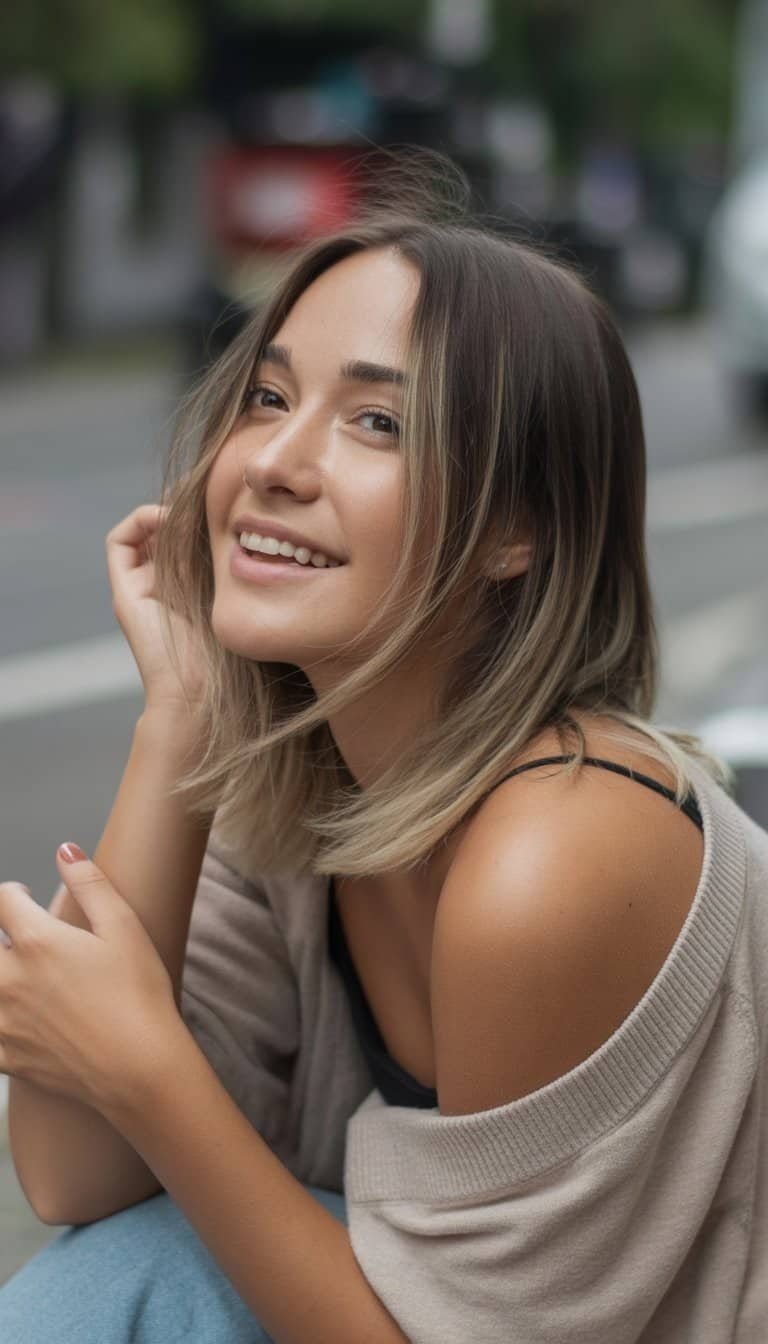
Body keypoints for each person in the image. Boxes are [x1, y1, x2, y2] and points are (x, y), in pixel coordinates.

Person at [1, 150, 766, 1344]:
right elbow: (73, 1180)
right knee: (109, 1283)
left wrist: (147, 1064)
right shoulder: (305, 780)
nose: (274, 466)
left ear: (517, 527)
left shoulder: (557, 851)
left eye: (375, 422)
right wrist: (183, 719)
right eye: (265, 397)